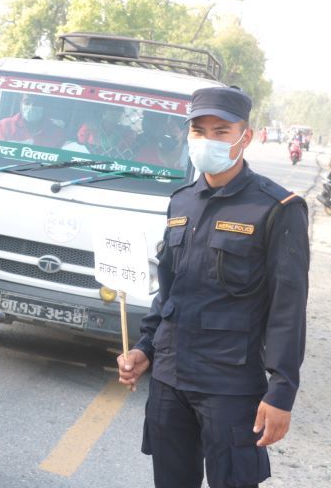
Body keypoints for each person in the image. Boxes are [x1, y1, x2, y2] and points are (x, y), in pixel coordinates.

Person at [116, 87, 310, 488]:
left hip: (230, 387)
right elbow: (168, 291)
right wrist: (144, 348)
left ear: (246, 136)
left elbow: (288, 309)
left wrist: (281, 392)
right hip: (170, 380)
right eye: (199, 131)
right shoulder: (181, 202)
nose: (208, 140)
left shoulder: (278, 208)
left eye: (221, 131)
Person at [0, 92, 67, 147]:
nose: (31, 107)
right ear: (20, 103)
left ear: (44, 106)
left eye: (37, 103)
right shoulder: (5, 125)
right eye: (27, 102)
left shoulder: (56, 132)